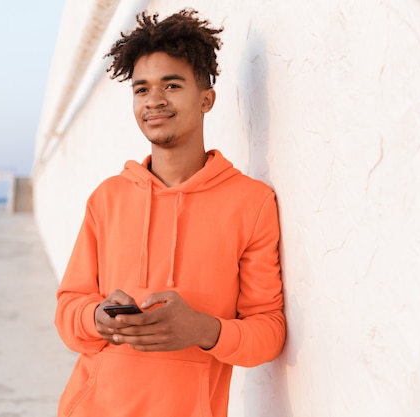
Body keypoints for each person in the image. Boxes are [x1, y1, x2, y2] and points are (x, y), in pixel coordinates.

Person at [54, 8, 285, 417]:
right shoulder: (107, 198)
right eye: (141, 90)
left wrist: (203, 330)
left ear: (206, 99)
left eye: (171, 85)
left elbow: (268, 331)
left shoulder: (251, 204)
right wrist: (97, 318)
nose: (154, 101)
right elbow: (68, 309)